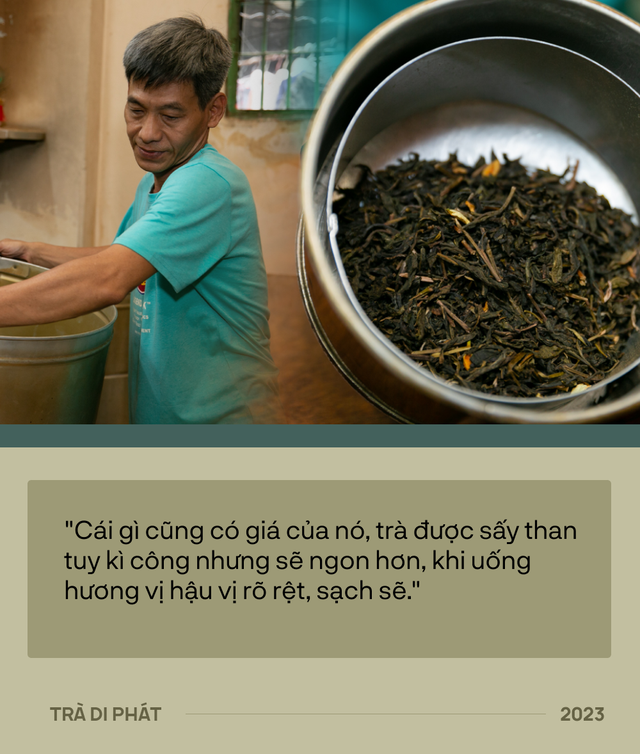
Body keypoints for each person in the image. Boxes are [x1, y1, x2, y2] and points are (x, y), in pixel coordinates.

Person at [0, 17, 282, 424]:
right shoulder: (155, 183)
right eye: (136, 109)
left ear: (213, 110)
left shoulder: (207, 184)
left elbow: (107, 278)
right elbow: (130, 258)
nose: (147, 132)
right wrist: (29, 251)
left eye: (171, 116)